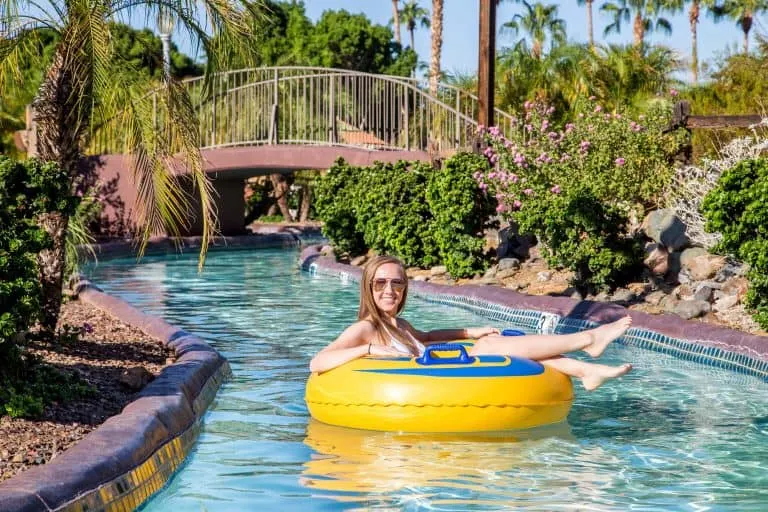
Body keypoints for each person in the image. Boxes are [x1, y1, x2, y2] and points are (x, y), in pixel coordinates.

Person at [309, 255, 633, 391]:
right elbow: (318, 361)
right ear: (368, 288)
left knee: (486, 342)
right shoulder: (366, 328)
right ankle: (589, 341)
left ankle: (584, 370)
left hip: (437, 381)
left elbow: (429, 337)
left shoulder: (400, 324)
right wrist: (367, 349)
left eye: (397, 283)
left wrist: (468, 332)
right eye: (380, 284)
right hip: (428, 391)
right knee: (489, 347)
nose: (390, 290)